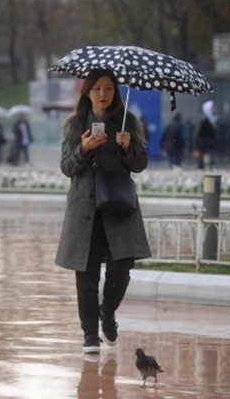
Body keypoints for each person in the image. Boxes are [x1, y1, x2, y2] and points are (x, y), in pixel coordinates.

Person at [55, 69, 151, 354]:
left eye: (109, 88)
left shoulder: (127, 122)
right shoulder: (75, 125)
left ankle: (107, 313)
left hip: (117, 208)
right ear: (87, 91)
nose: (103, 94)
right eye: (97, 88)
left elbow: (140, 164)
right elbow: (66, 167)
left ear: (115, 92)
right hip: (85, 209)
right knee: (86, 275)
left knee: (121, 271)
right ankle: (89, 334)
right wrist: (83, 149)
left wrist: (128, 148)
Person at [193, 100, 217, 169]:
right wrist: (196, 148)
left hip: (210, 146)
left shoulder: (213, 119)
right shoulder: (203, 120)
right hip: (204, 147)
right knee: (205, 164)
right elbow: (197, 134)